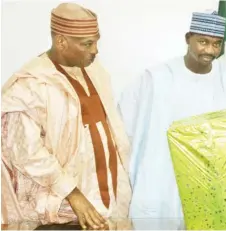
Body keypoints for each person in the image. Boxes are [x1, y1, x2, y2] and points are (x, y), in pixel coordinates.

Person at [117, 10, 226, 226]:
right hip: (168, 178)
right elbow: (127, 125)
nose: (210, 50)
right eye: (202, 42)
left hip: (216, 181)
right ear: (188, 39)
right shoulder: (157, 78)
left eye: (216, 44)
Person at [1, 3, 131, 229]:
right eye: (88, 44)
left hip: (102, 210)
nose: (95, 50)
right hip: (59, 215)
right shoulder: (29, 86)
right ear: (61, 41)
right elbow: (25, 153)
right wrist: (73, 194)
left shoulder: (94, 71)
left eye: (96, 41)